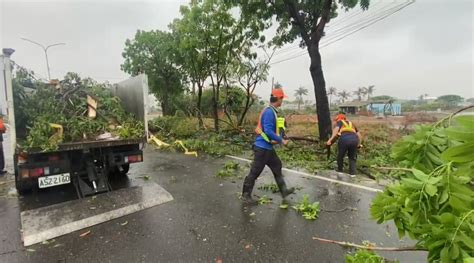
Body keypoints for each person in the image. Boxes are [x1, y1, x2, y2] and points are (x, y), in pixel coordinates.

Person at [241, 88, 295, 204]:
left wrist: (281, 136)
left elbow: (272, 131)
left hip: (268, 148)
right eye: (282, 99)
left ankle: (284, 190)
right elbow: (269, 131)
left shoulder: (272, 111)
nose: (282, 101)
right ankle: (245, 195)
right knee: (255, 171)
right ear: (278, 99)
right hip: (262, 148)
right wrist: (282, 141)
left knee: (277, 165)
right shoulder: (269, 112)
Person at [326, 112, 362, 177]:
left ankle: (340, 170)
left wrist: (330, 140)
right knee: (352, 157)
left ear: (339, 119)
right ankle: (352, 173)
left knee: (340, 155)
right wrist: (359, 144)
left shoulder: (340, 122)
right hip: (354, 140)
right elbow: (359, 135)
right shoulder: (352, 123)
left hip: (344, 139)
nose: (336, 122)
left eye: (336, 120)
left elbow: (336, 131)